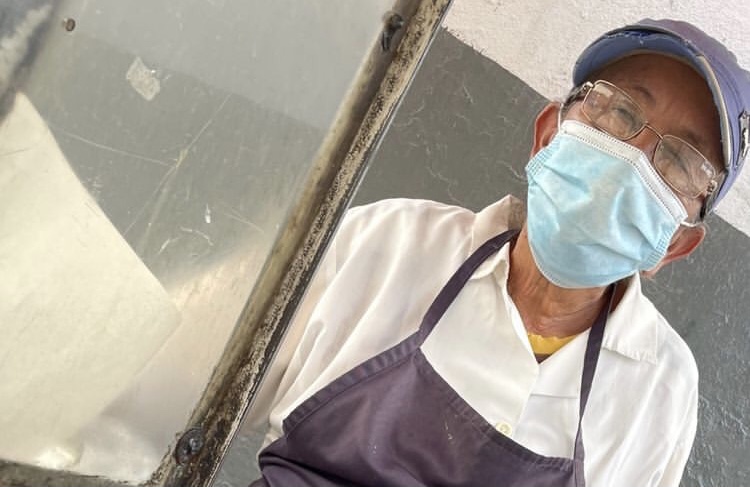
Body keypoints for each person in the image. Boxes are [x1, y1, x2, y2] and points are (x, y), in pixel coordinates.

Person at [249, 19, 750, 486]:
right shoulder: (386, 241)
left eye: (680, 160)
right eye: (620, 112)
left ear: (675, 245)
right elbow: (209, 380)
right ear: (547, 136)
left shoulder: (661, 390)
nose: (632, 160)